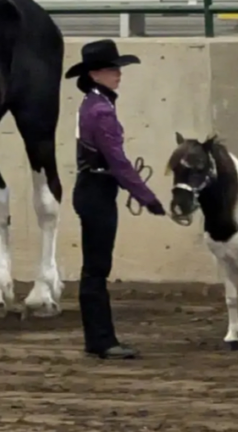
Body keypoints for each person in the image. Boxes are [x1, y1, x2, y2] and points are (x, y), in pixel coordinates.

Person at [65, 39, 166, 360]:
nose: (118, 74)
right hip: (97, 190)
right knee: (97, 268)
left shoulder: (92, 104)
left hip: (92, 187)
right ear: (95, 74)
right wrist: (146, 197)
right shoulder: (101, 111)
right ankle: (101, 340)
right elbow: (118, 161)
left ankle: (98, 338)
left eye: (117, 68)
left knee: (95, 267)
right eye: (112, 69)